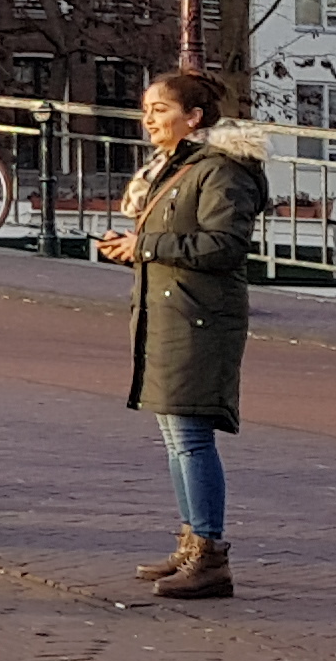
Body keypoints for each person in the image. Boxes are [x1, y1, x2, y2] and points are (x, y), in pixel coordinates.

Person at [97, 69, 267, 600]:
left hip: (198, 317)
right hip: (170, 311)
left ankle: (210, 554)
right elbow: (182, 235)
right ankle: (193, 540)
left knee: (191, 439)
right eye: (146, 109)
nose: (149, 120)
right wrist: (134, 245)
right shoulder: (180, 166)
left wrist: (147, 248)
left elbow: (224, 246)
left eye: (161, 110)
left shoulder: (221, 170)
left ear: (193, 118)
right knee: (175, 438)